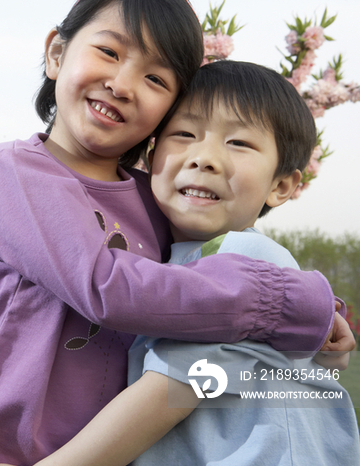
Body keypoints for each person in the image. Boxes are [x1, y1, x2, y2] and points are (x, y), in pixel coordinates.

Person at [0, 1, 349, 465]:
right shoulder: (17, 174)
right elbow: (108, 287)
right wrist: (288, 304)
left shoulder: (156, 200)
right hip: (13, 451)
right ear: (57, 53)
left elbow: (197, 282)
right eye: (108, 51)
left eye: (156, 80)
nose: (122, 85)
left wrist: (318, 310)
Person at [18, 60, 360, 466]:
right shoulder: (161, 267)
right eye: (183, 134)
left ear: (282, 185)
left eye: (239, 143)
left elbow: (174, 391)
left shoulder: (247, 259)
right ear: (150, 154)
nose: (205, 158)